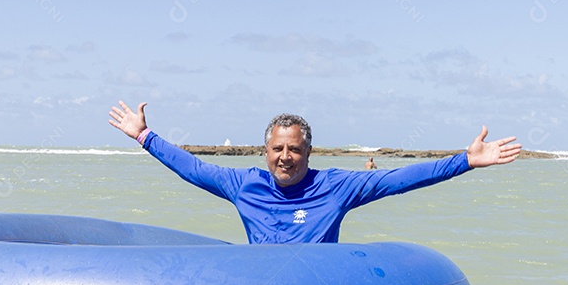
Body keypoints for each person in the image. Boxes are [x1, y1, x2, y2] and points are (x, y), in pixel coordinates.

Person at [108, 101, 521, 244]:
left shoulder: (336, 186)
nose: (285, 157)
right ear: (264, 151)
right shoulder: (243, 184)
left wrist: (464, 161)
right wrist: (145, 136)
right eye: (277, 149)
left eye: (295, 149)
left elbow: (400, 180)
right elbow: (193, 168)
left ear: (309, 151)